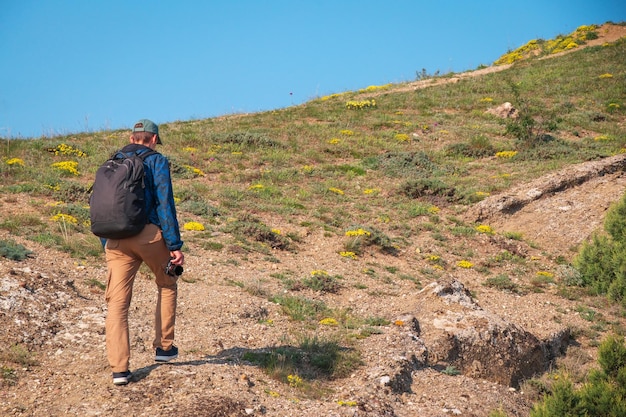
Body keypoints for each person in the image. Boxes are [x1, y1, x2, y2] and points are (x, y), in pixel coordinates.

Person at [103, 119, 184, 386]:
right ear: (152, 139)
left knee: (117, 304)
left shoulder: (113, 160)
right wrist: (174, 246)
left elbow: (105, 204)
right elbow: (164, 203)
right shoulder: (156, 161)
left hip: (115, 239)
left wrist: (107, 243)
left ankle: (120, 370)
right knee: (167, 282)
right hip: (147, 235)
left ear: (131, 137)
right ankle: (164, 348)